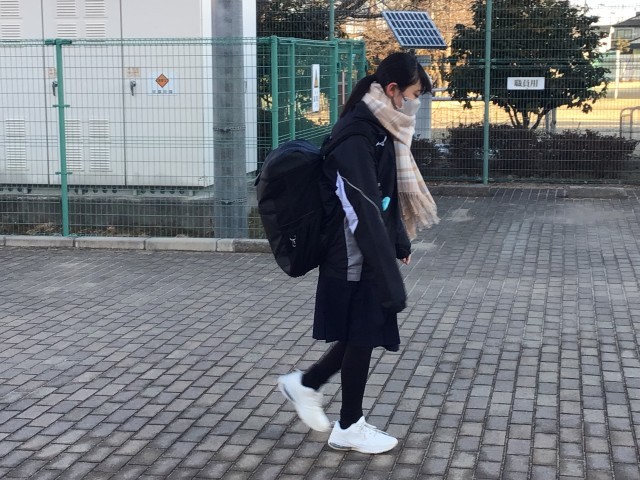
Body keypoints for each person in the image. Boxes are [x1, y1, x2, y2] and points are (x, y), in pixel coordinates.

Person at [278, 52, 439, 454]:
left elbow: (385, 194)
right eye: (413, 95)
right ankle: (344, 420)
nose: (415, 104)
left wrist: (398, 242)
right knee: (363, 331)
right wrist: (388, 274)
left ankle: (311, 388)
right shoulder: (357, 135)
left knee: (361, 332)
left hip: (366, 248)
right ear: (393, 90)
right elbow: (363, 208)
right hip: (350, 252)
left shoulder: (382, 127)